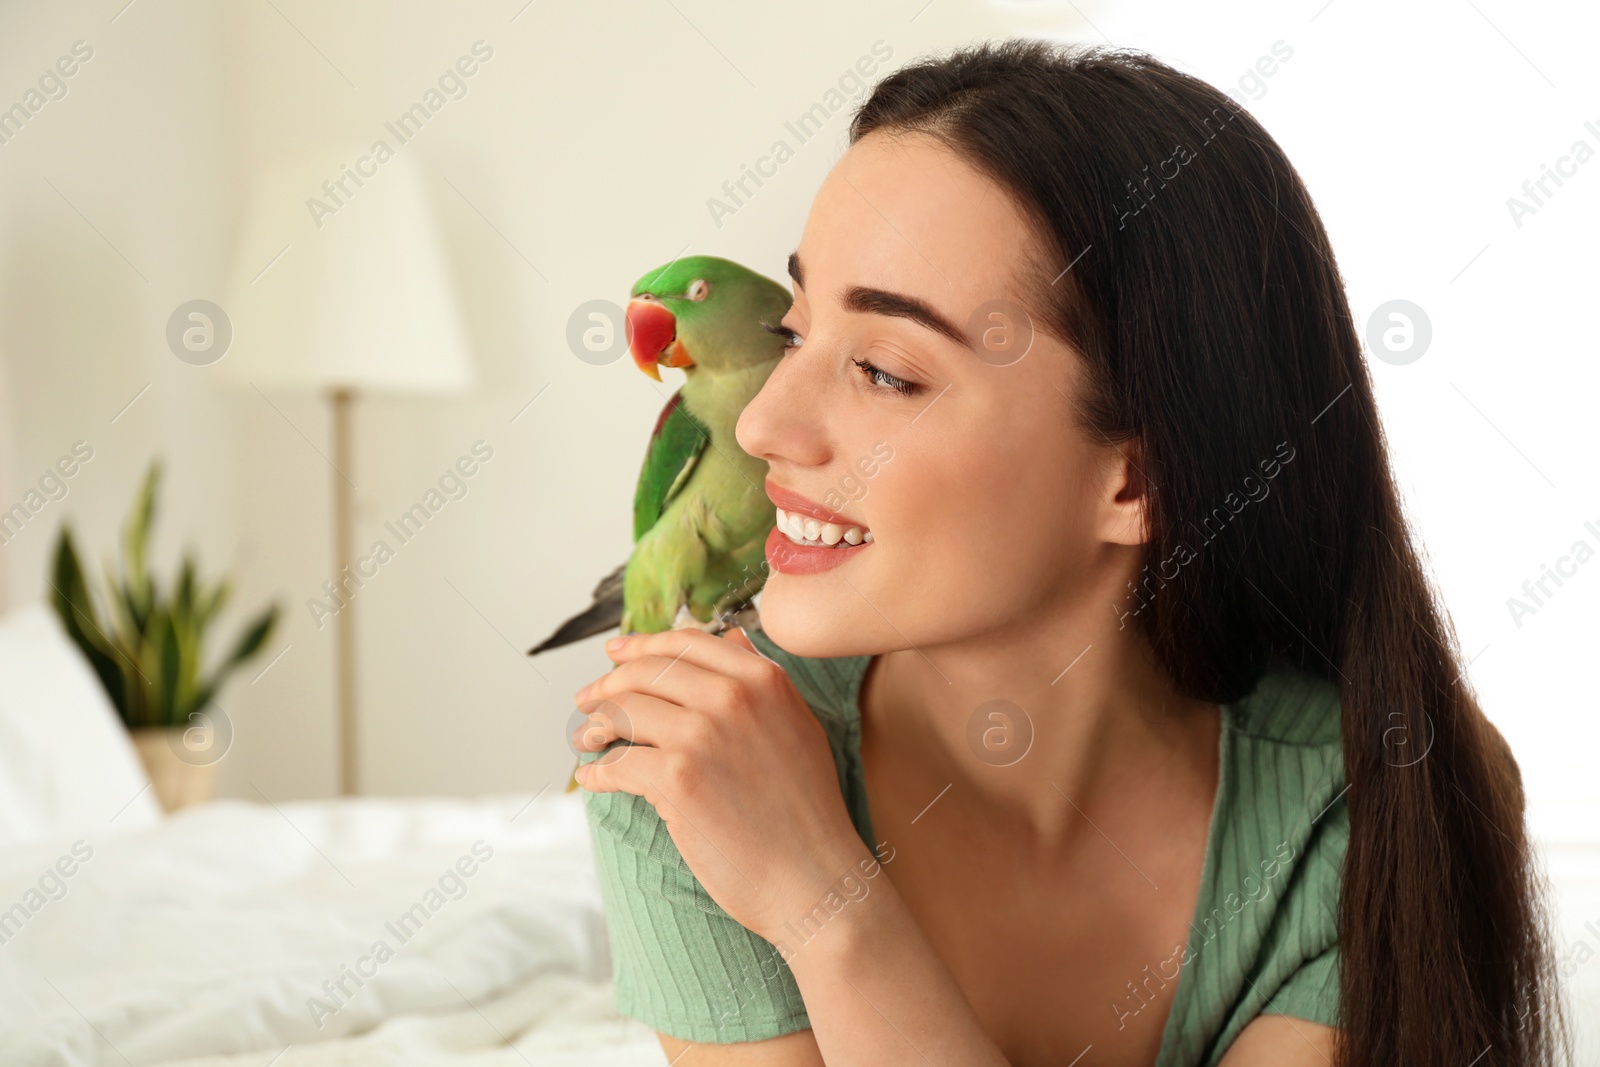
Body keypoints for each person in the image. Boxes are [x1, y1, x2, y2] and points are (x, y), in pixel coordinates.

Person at [570, 39, 1567, 1067]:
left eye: (881, 370)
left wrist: (825, 901)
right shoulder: (706, 770)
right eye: (795, 330)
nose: (761, 426)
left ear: (1137, 482)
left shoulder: (1380, 796)